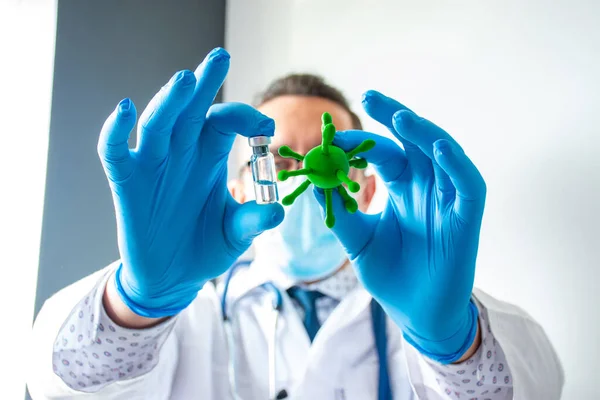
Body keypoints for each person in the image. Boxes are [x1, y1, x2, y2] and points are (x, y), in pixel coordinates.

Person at [27, 47, 563, 400]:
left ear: (367, 185)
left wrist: (455, 345)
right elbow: (57, 383)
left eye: (325, 156)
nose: (306, 172)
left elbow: (539, 386)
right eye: (278, 160)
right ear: (238, 187)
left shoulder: (429, 304)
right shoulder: (194, 316)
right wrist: (137, 303)